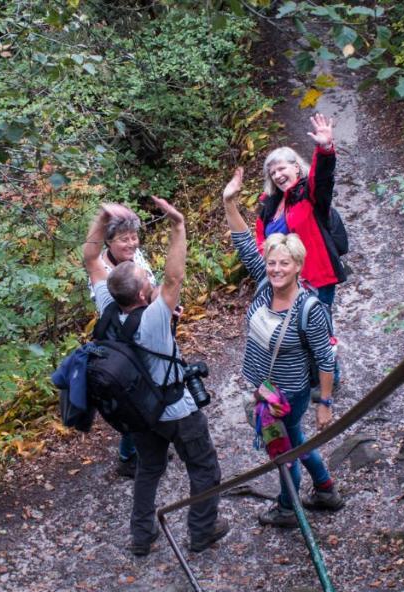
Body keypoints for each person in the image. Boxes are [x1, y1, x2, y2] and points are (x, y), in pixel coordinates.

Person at [82, 200, 229, 555]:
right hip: (176, 409)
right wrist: (178, 226)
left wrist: (102, 220)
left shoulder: (107, 304)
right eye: (148, 279)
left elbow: (90, 258)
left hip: (140, 413)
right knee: (204, 468)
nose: (152, 278)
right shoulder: (154, 319)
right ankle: (202, 530)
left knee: (149, 469)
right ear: (144, 294)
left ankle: (141, 535)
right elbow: (175, 276)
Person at [224, 167, 345, 527]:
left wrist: (325, 405)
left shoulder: (310, 309)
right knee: (296, 439)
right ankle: (325, 488)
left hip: (288, 393)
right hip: (266, 387)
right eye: (272, 263)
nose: (276, 269)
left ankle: (288, 508)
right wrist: (229, 202)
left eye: (284, 264)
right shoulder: (264, 286)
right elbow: (245, 242)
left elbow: (325, 357)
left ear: (298, 267)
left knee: (284, 452)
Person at [85, 207, 156, 478]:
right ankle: (128, 457)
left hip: (148, 336)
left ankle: (149, 445)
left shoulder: (136, 257)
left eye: (134, 236)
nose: (132, 243)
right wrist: (102, 218)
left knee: (152, 392)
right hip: (121, 346)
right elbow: (89, 257)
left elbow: (152, 285)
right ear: (109, 240)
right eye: (124, 239)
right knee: (131, 398)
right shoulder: (102, 269)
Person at [256, 114, 346, 309]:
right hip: (283, 282)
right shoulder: (269, 206)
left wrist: (325, 149)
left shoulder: (309, 195)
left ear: (296, 168)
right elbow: (260, 241)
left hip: (315, 281)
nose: (277, 175)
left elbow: (322, 177)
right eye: (273, 173)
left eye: (281, 169)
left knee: (315, 332)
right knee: (290, 336)